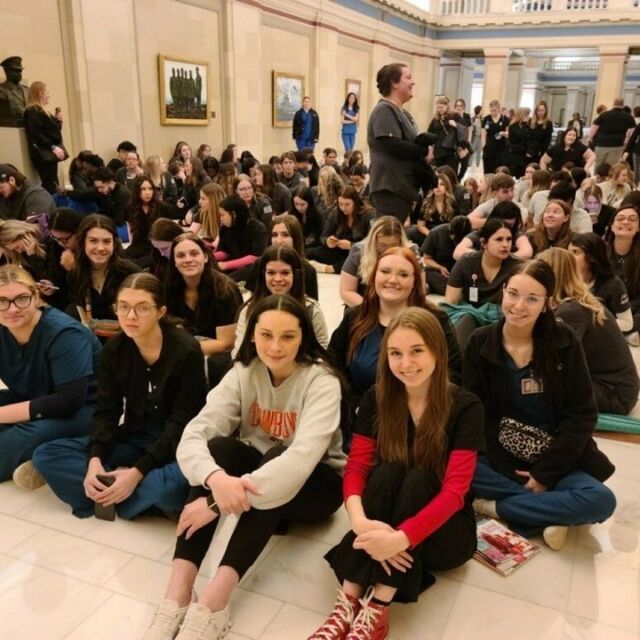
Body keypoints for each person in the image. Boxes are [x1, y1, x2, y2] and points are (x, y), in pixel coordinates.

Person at [143, 294, 346, 640]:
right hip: (259, 480)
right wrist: (215, 478)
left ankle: (214, 602)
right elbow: (194, 434)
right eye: (266, 335)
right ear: (252, 334)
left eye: (288, 336)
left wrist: (214, 501)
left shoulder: (322, 381)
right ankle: (178, 591)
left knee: (277, 459)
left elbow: (300, 461)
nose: (276, 346)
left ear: (304, 338)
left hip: (317, 488)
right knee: (219, 449)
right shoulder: (244, 372)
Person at [310, 307, 483, 640]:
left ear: (437, 350)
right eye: (396, 353)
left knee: (419, 478)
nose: (407, 363)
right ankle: (349, 601)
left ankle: (378, 607)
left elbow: (454, 493)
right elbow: (357, 465)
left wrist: (399, 540)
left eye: (417, 351)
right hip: (390, 520)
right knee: (386, 472)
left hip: (444, 534)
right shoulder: (378, 397)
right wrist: (359, 522)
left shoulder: (465, 406)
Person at [465, 259, 617, 551]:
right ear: (503, 292)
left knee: (601, 500)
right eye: (513, 294)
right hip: (501, 456)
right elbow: (477, 414)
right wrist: (508, 468)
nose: (519, 306)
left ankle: (496, 508)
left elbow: (582, 415)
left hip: (555, 453)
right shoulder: (480, 342)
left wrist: (544, 474)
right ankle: (550, 514)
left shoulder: (563, 342)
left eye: (532, 298)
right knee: (454, 467)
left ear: (547, 303)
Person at [32, 273, 207, 518]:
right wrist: (95, 461)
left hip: (179, 444)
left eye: (142, 308)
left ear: (160, 311)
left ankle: (112, 494)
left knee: (170, 488)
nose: (130, 316)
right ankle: (122, 494)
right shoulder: (113, 351)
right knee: (46, 454)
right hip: (136, 436)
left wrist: (136, 472)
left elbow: (181, 422)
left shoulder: (186, 351)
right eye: (123, 307)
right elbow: (107, 412)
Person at [329, 247, 461, 447]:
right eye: (385, 271)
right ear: (374, 276)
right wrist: (355, 405)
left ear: (415, 281)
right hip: (361, 422)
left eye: (403, 274)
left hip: (419, 425)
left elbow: (453, 373)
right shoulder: (355, 317)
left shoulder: (436, 320)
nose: (392, 280)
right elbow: (333, 367)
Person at [0, 264, 101, 484]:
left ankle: (54, 453)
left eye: (22, 298)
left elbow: (68, 401)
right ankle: (37, 457)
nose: (12, 309)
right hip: (34, 396)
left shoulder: (64, 333)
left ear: (36, 296)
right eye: (2, 301)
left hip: (85, 410)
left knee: (17, 438)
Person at [539, 248, 639, 415]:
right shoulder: (577, 303)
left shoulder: (571, 311)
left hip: (612, 393)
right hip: (618, 388)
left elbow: (552, 361)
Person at [165, 233, 243, 384]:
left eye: (194, 254)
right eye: (180, 256)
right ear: (174, 262)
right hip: (189, 347)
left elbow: (226, 343)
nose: (188, 259)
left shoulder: (224, 290)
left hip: (220, 354)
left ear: (206, 257)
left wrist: (182, 349)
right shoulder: (170, 289)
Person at [367, 63, 434, 223]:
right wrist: (424, 152)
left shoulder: (400, 112)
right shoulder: (384, 110)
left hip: (400, 187)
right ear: (394, 82)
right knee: (387, 240)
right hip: (390, 188)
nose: (413, 82)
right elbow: (392, 145)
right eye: (408, 77)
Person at [233, 245, 328, 355]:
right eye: (271, 273)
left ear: (295, 274)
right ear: (263, 274)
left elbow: (322, 351)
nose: (277, 279)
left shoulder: (312, 310)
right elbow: (239, 352)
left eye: (285, 273)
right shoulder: (249, 310)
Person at [67, 214, 140, 324]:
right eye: (93, 241)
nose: (100, 248)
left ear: (114, 244)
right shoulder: (75, 275)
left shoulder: (130, 273)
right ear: (83, 243)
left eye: (106, 241)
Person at [569, 232, 635, 340]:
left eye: (576, 252)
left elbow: (627, 323)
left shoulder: (613, 284)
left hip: (601, 340)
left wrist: (591, 324)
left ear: (591, 256)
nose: (569, 257)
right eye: (568, 252)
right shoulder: (567, 279)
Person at [340, 216, 411, 308]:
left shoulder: (411, 253)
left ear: (400, 242)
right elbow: (346, 291)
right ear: (373, 241)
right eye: (383, 245)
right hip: (363, 306)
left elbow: (419, 291)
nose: (388, 250)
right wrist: (373, 310)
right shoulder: (359, 252)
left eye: (394, 245)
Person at [244, 213, 319, 300]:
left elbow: (311, 306)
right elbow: (253, 300)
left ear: (295, 238)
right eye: (274, 235)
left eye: (285, 235)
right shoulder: (259, 264)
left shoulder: (308, 270)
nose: (278, 240)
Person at [307, 186, 373, 274]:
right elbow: (324, 236)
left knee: (359, 260)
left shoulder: (368, 215)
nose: (343, 208)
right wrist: (328, 241)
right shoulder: (336, 213)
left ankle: (330, 268)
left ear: (355, 202)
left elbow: (371, 243)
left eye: (347, 204)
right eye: (340, 204)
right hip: (339, 252)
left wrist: (351, 245)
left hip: (359, 253)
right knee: (312, 251)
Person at [23, 81, 66, 193]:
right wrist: (53, 147)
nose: (49, 95)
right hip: (44, 153)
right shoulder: (33, 110)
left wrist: (58, 122)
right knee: (50, 184)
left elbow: (53, 132)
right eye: (47, 92)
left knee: (53, 182)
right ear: (40, 93)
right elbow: (35, 133)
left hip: (48, 153)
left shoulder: (42, 111)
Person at [125, 176, 177, 268]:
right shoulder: (130, 208)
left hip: (155, 248)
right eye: (143, 189)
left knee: (135, 265)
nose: (148, 192)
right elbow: (131, 231)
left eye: (150, 189)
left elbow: (169, 233)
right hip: (137, 246)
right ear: (137, 191)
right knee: (120, 261)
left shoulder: (162, 207)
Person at [213, 195, 268, 280]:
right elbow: (225, 251)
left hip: (250, 270)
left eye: (223, 215)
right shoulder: (226, 228)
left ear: (234, 214)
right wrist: (208, 256)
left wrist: (225, 265)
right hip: (231, 265)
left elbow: (254, 258)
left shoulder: (258, 229)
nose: (221, 219)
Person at [605, 205, 640, 331]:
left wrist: (626, 312)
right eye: (620, 219)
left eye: (632, 219)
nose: (626, 222)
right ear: (612, 226)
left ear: (638, 228)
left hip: (634, 312)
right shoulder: (599, 251)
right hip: (606, 310)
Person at [422, 215, 472, 295]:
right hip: (440, 270)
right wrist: (440, 267)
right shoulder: (436, 233)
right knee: (429, 274)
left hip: (460, 270)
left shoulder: (471, 238)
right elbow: (426, 259)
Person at [589, 98, 636, 167]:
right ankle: (610, 178)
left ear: (613, 104)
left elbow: (594, 127)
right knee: (612, 167)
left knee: (598, 165)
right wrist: (626, 142)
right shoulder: (628, 117)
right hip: (617, 145)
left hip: (601, 144)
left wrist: (590, 138)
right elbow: (631, 131)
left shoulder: (604, 115)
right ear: (622, 105)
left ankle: (598, 177)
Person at [411, 174, 457, 242]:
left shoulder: (452, 202)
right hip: (429, 234)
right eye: (435, 184)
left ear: (447, 187)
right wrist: (431, 235)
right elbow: (420, 225)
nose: (438, 187)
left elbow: (455, 226)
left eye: (442, 184)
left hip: (446, 234)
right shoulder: (425, 202)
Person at [428, 96, 463, 171]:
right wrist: (430, 148)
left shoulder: (454, 116)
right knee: (440, 174)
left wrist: (456, 125)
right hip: (438, 152)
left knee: (451, 174)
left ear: (447, 106)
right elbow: (430, 132)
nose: (439, 109)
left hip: (451, 151)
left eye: (441, 107)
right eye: (438, 107)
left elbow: (463, 129)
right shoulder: (435, 119)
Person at [289, 185, 324, 251]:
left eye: (302, 204)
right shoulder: (291, 214)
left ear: (309, 202)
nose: (299, 208)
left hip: (312, 248)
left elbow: (317, 238)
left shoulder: (317, 216)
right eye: (296, 204)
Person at [481, 100, 510, 174]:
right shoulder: (486, 119)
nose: (493, 113)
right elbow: (483, 135)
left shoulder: (505, 120)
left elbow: (508, 134)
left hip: (501, 150)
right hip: (489, 149)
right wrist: (483, 147)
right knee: (488, 172)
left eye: (495, 110)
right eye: (491, 110)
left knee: (499, 171)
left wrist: (502, 133)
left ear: (499, 109)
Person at [505, 108, 532, 179]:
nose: (528, 117)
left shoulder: (526, 126)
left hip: (523, 154)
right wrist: (525, 124)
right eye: (527, 115)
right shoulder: (513, 126)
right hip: (514, 153)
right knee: (513, 173)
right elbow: (521, 136)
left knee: (521, 173)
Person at [527, 101, 554, 165]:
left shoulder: (548, 123)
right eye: (538, 110)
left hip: (540, 151)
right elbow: (527, 137)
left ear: (545, 111)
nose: (540, 112)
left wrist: (543, 152)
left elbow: (547, 140)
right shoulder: (530, 121)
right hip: (529, 151)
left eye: (542, 110)